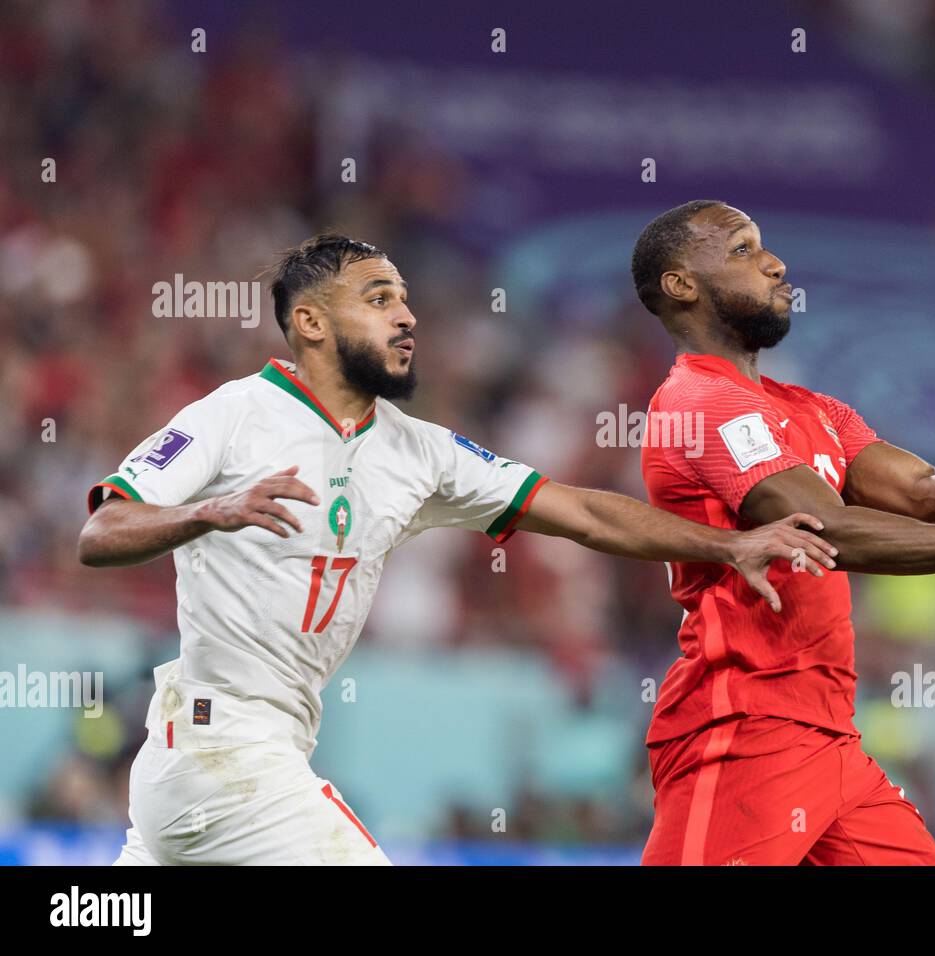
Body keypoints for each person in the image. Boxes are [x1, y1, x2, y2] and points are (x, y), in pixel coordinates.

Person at [78, 234, 837, 865]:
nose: (406, 317)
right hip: (221, 749)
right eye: (379, 300)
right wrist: (211, 511)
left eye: (405, 299)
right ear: (310, 323)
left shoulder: (419, 453)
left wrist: (730, 543)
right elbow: (102, 532)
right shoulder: (234, 416)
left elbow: (582, 515)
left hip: (233, 757)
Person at [631, 201, 935, 865]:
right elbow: (827, 529)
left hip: (832, 739)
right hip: (744, 729)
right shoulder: (697, 403)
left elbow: (925, 495)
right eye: (743, 249)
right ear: (681, 284)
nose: (775, 264)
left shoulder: (814, 410)